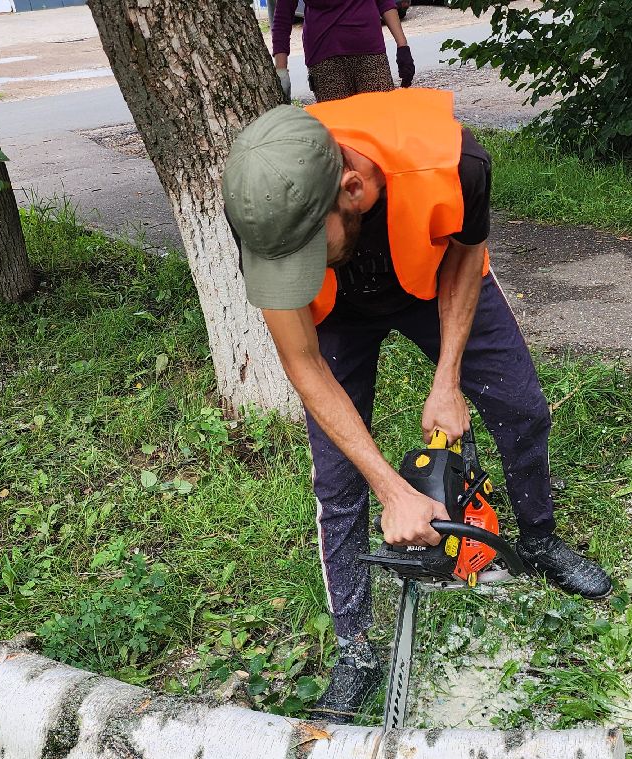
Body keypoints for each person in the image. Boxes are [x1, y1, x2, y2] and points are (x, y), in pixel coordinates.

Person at [222, 88, 612, 722]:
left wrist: (447, 378)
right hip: (337, 315)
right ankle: (354, 648)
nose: (297, 261)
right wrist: (392, 489)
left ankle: (539, 542)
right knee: (338, 476)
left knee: (521, 408)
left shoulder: (455, 165)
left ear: (351, 189)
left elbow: (465, 261)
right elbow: (303, 363)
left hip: (431, 277)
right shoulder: (266, 204)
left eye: (306, 250)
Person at [271, 0, 414, 103]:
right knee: (341, 133)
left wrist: (403, 46)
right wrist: (281, 70)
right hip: (325, 61)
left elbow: (385, 3)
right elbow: (282, 17)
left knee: (380, 123)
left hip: (370, 55)